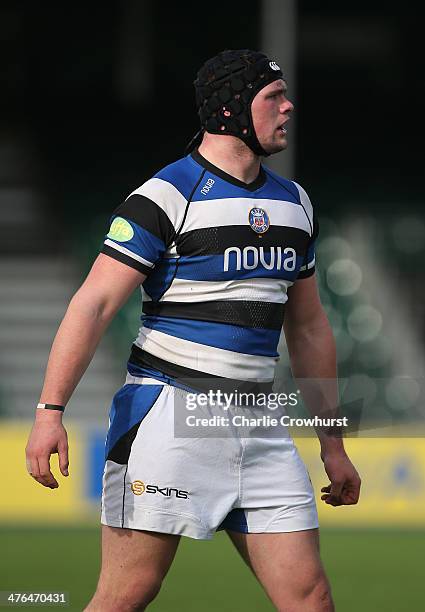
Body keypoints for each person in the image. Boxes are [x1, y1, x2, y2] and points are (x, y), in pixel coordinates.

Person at [25, 49, 361, 611]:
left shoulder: (296, 204)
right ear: (232, 109)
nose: (288, 106)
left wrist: (332, 441)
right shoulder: (165, 196)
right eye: (273, 97)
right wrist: (49, 413)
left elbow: (308, 329)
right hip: (170, 417)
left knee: (311, 599)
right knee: (125, 596)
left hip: (261, 425)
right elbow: (93, 306)